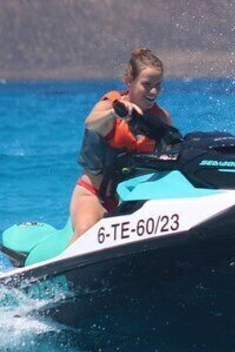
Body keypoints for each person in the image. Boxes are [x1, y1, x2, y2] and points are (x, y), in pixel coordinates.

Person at [69, 47, 173, 244]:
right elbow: (91, 123)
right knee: (85, 231)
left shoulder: (162, 118)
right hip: (93, 195)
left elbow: (175, 151)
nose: (153, 91)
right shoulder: (110, 105)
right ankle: (58, 274)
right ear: (129, 82)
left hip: (130, 201)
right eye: (147, 84)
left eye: (158, 85)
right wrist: (116, 113)